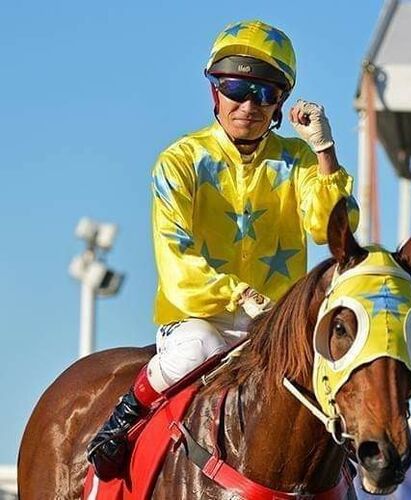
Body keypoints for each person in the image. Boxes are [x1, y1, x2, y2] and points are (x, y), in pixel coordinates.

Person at [87, 19, 359, 480]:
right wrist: (239, 295)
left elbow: (332, 229)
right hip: (198, 318)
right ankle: (124, 417)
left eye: (264, 93)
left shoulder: (297, 161)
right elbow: (176, 261)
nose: (248, 105)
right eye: (235, 88)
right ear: (215, 90)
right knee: (199, 346)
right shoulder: (180, 161)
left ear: (281, 102)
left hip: (276, 329)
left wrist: (324, 151)